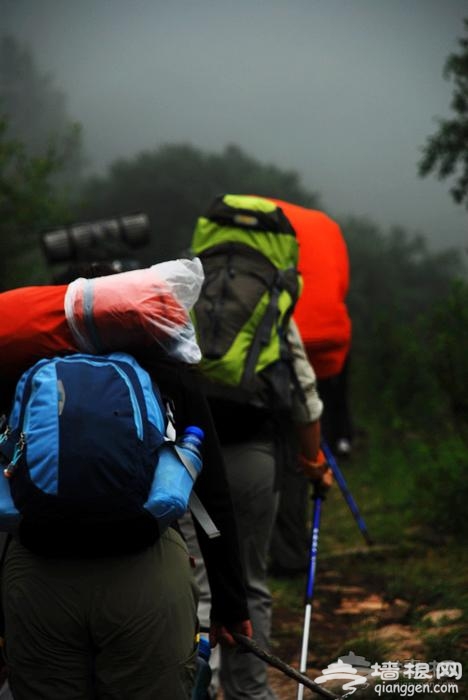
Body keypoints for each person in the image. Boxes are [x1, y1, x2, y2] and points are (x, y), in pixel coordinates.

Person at [0, 264, 252, 700]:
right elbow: (212, 497)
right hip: (146, 567)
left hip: (37, 574)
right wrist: (231, 603)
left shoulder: (20, 359)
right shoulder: (165, 364)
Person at [202, 318, 330, 700]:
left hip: (190, 455)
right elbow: (304, 391)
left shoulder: (184, 297)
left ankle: (197, 687)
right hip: (255, 450)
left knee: (199, 585)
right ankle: (251, 690)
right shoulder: (271, 302)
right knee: (250, 577)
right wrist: (313, 463)